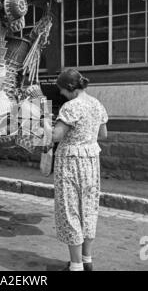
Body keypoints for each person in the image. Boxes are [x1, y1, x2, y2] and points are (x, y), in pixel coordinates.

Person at [51, 69, 108, 271]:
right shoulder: (96, 104)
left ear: (69, 88)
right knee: (89, 208)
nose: (61, 95)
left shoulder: (70, 107)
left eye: (61, 91)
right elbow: (103, 133)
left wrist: (44, 128)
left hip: (71, 163)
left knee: (70, 209)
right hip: (91, 161)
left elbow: (57, 135)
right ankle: (87, 259)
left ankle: (75, 266)